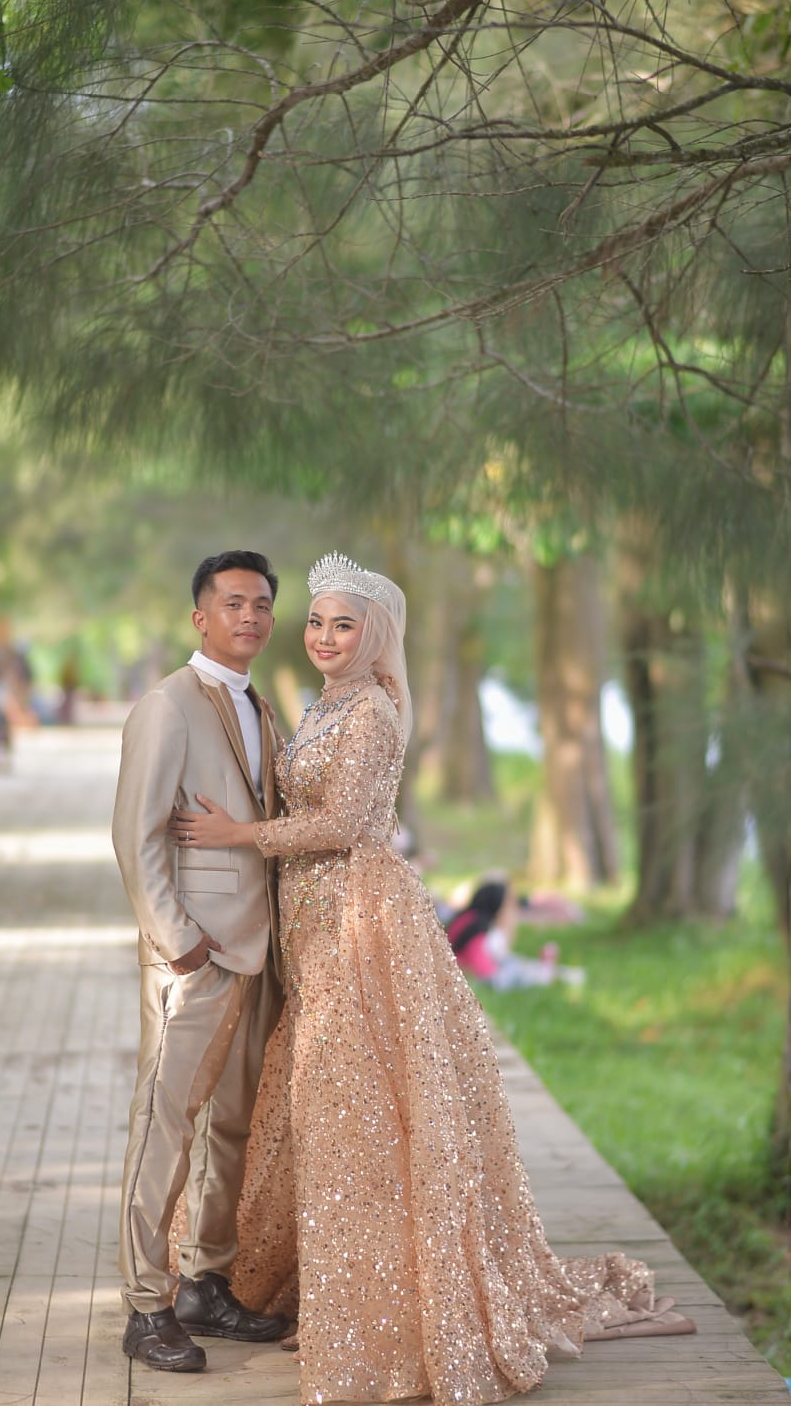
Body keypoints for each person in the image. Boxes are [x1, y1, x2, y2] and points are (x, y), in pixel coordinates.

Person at [170, 552, 693, 1406]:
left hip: (359, 924)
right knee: (330, 1110)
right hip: (312, 924)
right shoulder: (327, 703)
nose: (324, 637)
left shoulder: (373, 710)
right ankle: (340, 1293)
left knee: (359, 1114)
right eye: (317, 622)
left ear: (376, 636)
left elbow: (347, 824)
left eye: (344, 625)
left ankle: (379, 1313)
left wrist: (237, 836)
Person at [111, 550, 288, 1374]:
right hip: (192, 956)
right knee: (164, 1124)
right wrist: (175, 940)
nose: (249, 616)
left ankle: (204, 1285)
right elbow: (136, 832)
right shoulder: (167, 706)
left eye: (262, 605)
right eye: (233, 603)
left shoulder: (260, 703)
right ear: (200, 617)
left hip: (256, 952)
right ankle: (146, 1306)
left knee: (230, 1128)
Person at [447, 875, 586, 990]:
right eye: (508, 905)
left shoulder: (468, 918)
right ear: (497, 904)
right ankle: (555, 975)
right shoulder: (478, 928)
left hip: (479, 970)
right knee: (522, 971)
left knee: (522, 966)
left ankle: (557, 974)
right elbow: (486, 972)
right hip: (484, 975)